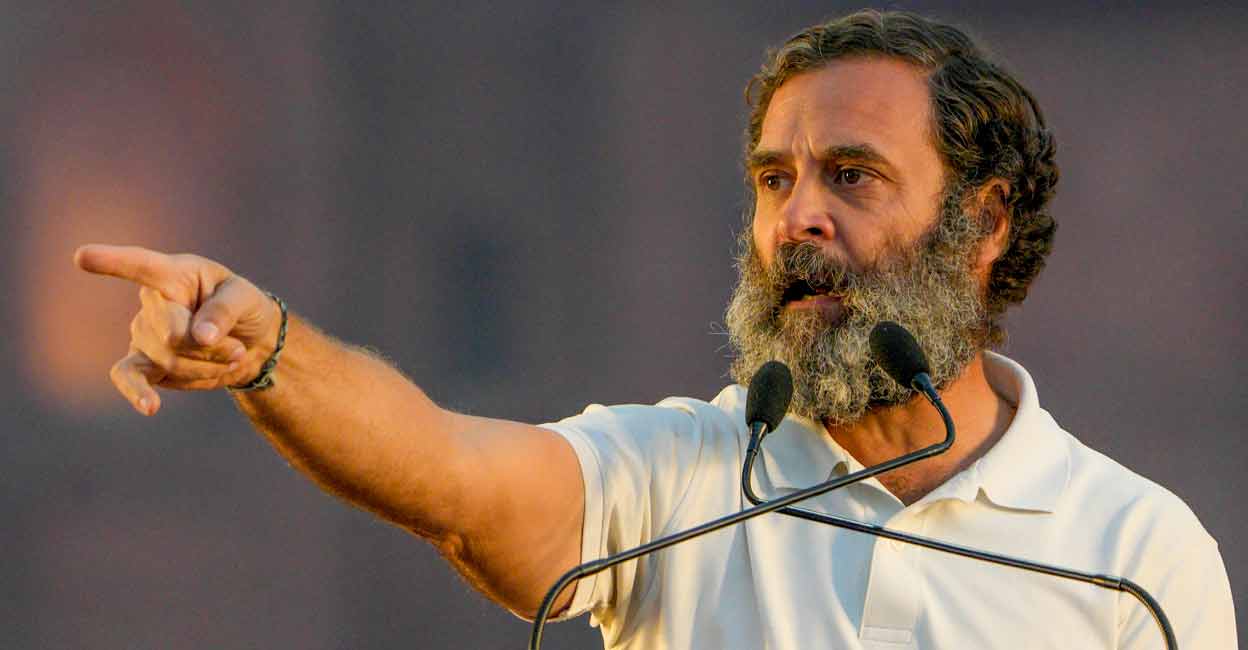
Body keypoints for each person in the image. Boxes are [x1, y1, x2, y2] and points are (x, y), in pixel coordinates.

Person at [75, 9, 1234, 650]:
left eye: (851, 175)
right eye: (773, 180)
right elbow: (445, 471)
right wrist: (267, 348)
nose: (799, 219)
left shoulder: (1136, 555)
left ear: (981, 222)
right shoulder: (682, 476)